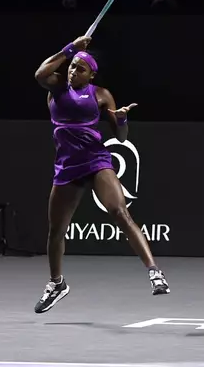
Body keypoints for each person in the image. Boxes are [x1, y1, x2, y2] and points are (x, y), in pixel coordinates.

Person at [32, 36, 170, 314]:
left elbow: (120, 136)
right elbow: (39, 73)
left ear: (92, 74)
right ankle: (56, 283)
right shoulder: (56, 86)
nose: (73, 71)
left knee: (120, 212)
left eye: (80, 68)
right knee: (56, 231)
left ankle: (155, 272)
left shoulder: (101, 95)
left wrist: (121, 120)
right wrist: (70, 49)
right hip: (67, 165)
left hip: (96, 160)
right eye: (72, 66)